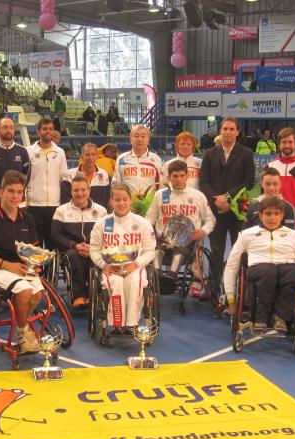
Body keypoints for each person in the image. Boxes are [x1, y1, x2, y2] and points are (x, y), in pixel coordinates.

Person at [0, 170, 43, 353]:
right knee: (24, 291)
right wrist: (8, 265)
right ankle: (23, 332)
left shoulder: (28, 219)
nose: (15, 196)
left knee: (37, 293)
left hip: (21, 268)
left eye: (19, 192)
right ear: (1, 192)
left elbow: (33, 251)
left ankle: (20, 321)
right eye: (11, 191)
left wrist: (34, 264)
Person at [223, 196, 295, 333]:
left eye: (276, 214)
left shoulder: (293, 234)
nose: (272, 218)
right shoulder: (246, 234)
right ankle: (261, 317)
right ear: (260, 215)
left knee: (294, 273)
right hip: (259, 268)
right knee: (268, 272)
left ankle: (280, 317)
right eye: (268, 214)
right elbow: (231, 265)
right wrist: (230, 298)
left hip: (286, 266)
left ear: (282, 215)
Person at [89, 183, 156, 331]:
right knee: (116, 283)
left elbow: (150, 250)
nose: (121, 203)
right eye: (117, 200)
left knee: (135, 282)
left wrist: (136, 264)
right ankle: (117, 324)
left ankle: (132, 324)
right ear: (111, 201)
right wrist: (104, 265)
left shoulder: (143, 223)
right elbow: (93, 250)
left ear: (130, 200)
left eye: (125, 199)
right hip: (110, 267)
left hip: (135, 266)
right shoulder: (101, 224)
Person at [147, 160, 215, 294]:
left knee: (181, 249)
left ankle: (171, 278)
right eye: (175, 176)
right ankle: (158, 277)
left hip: (187, 240)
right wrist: (150, 232)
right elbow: (150, 218)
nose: (179, 179)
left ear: (187, 176)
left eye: (182, 176)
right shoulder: (160, 195)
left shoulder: (198, 195)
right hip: (163, 239)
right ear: (168, 177)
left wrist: (203, 231)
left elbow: (210, 219)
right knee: (155, 250)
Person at [200, 117, 255, 263]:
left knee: (240, 251)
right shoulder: (209, 154)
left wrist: (227, 196)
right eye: (225, 129)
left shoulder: (247, 154)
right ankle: (215, 285)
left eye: (231, 129)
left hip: (238, 210)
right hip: (215, 209)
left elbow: (249, 182)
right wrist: (217, 199)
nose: (228, 132)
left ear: (237, 132)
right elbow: (204, 182)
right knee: (216, 251)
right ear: (220, 131)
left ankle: (240, 286)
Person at [52, 175, 108, 309]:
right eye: (76, 190)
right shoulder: (61, 211)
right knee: (75, 256)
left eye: (83, 190)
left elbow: (107, 235)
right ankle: (78, 296)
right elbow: (55, 235)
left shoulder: (101, 211)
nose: (80, 193)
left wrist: (93, 247)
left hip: (95, 248)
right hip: (71, 248)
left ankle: (97, 292)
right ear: (71, 192)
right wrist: (75, 245)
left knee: (98, 257)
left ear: (89, 191)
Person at [26, 118, 66, 248]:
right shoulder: (29, 151)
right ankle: (37, 269)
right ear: (38, 132)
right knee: (35, 245)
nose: (48, 131)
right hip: (34, 205)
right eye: (45, 129)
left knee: (52, 245)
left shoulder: (60, 152)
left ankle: (50, 269)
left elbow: (64, 178)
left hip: (54, 206)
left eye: (50, 129)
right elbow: (24, 178)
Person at [113, 125, 163, 206]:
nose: (140, 139)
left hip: (150, 206)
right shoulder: (122, 159)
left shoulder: (156, 159)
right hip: (127, 205)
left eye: (143, 136)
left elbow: (161, 184)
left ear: (148, 140)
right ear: (131, 139)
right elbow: (116, 184)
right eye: (136, 136)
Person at [61, 143, 110, 209]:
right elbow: (65, 200)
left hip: (97, 215)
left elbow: (105, 200)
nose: (90, 158)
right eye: (87, 155)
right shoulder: (70, 174)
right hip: (74, 215)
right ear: (81, 157)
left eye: (93, 154)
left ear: (97, 156)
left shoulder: (104, 174)